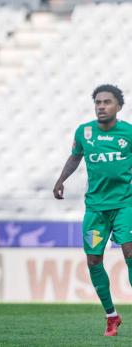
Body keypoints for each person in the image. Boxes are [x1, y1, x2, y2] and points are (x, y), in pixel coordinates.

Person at [53, 84, 132, 337]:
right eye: (98, 102)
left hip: (125, 205)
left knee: (130, 250)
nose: (101, 106)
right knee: (93, 260)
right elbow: (75, 157)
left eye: (107, 102)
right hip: (95, 209)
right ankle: (112, 316)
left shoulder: (128, 133)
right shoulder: (84, 132)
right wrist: (61, 179)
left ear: (118, 106)